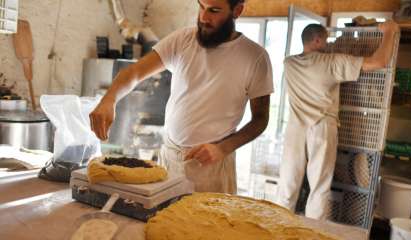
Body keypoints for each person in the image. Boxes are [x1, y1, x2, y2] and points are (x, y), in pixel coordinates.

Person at [89, 0, 273, 194]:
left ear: (237, 10)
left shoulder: (254, 57)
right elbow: (135, 72)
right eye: (201, 6)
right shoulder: (182, 40)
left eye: (214, 10)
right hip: (170, 158)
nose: (203, 17)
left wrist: (222, 149)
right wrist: (109, 100)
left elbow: (260, 120)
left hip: (212, 165)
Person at [277, 21, 399, 220]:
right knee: (319, 187)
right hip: (322, 128)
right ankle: (312, 233)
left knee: (287, 184)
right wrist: (389, 33)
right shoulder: (331, 62)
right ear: (317, 40)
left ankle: (276, 228)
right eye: (326, 40)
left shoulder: (288, 63)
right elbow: (380, 62)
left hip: (295, 127)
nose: (328, 44)